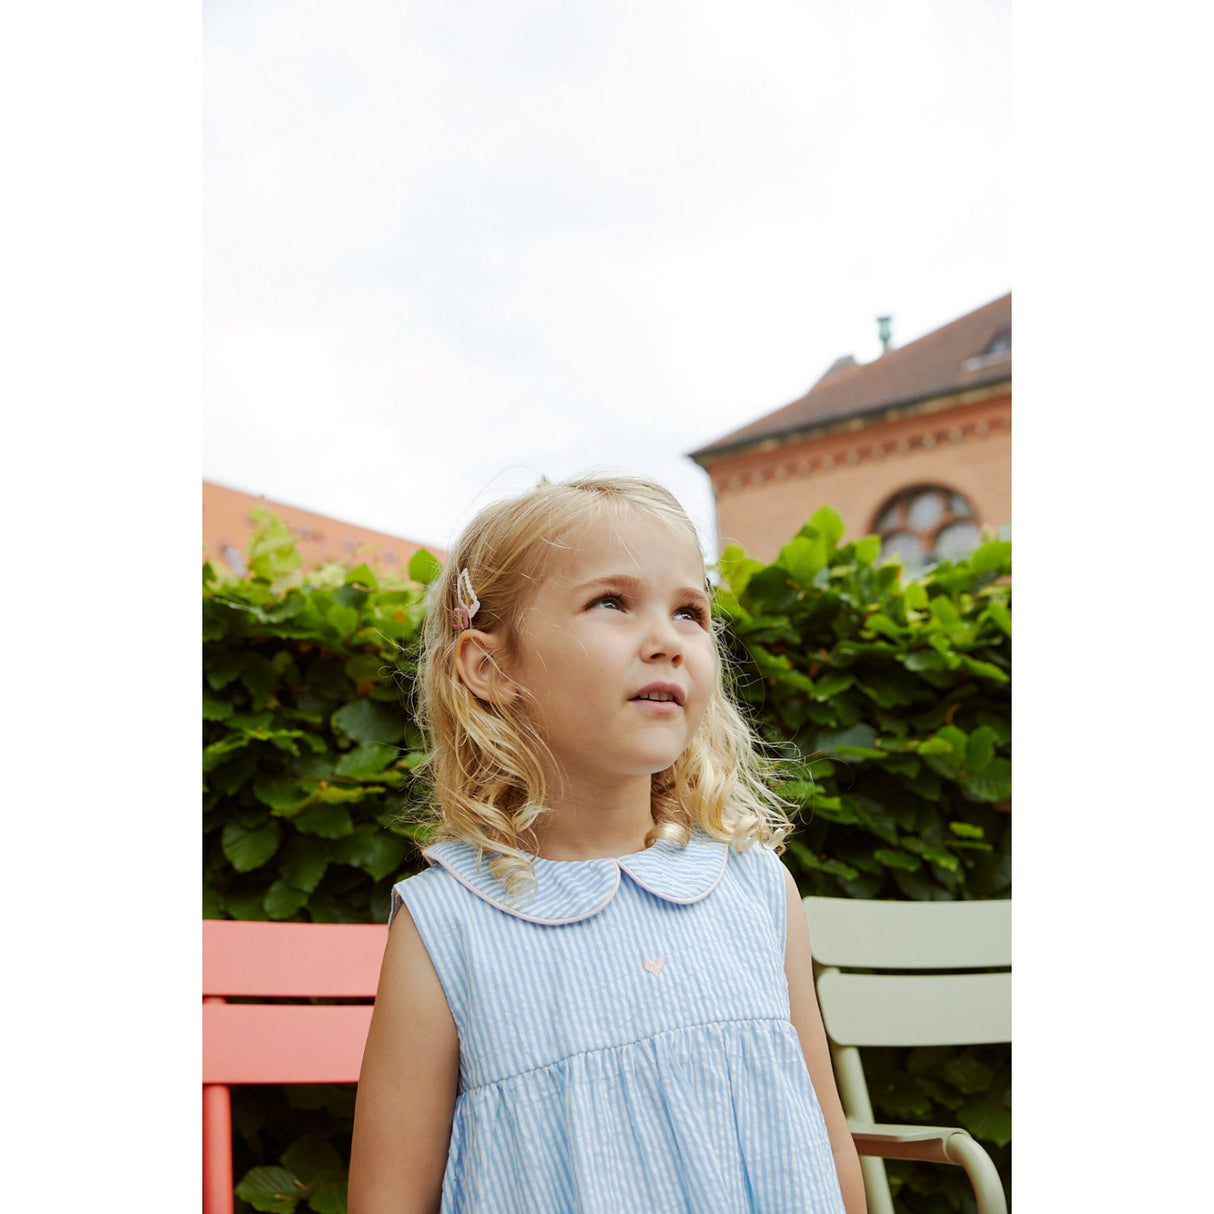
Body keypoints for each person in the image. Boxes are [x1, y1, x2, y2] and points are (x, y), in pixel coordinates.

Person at [349, 474, 867, 1213]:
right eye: (612, 603)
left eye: (689, 612)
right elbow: (388, 1199)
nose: (667, 641)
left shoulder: (757, 889)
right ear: (490, 668)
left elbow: (829, 1147)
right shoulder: (448, 924)